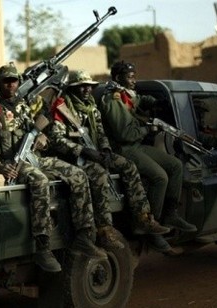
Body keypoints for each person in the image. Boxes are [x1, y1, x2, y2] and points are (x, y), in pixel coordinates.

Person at [0, 64, 107, 272]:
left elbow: (46, 126)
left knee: (78, 174)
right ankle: (42, 246)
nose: (10, 85)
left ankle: (84, 234)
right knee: (40, 181)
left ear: (18, 83)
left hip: (35, 157)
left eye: (14, 80)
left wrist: (42, 138)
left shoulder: (25, 105)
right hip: (14, 162)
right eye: (6, 81)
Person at [48, 70, 173, 252]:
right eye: (81, 87)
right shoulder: (62, 108)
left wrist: (105, 149)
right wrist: (84, 151)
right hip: (74, 157)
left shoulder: (90, 105)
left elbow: (100, 132)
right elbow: (56, 140)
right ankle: (104, 230)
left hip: (95, 151)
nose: (86, 90)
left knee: (128, 166)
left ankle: (143, 217)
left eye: (88, 87)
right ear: (73, 89)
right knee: (99, 175)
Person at [98, 61, 197, 253]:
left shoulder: (126, 96)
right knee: (160, 177)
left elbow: (135, 102)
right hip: (123, 148)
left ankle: (170, 214)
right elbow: (124, 134)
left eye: (135, 76)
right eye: (130, 76)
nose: (134, 80)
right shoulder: (113, 99)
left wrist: (150, 101)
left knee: (175, 166)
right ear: (118, 78)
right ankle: (152, 227)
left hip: (135, 145)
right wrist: (148, 129)